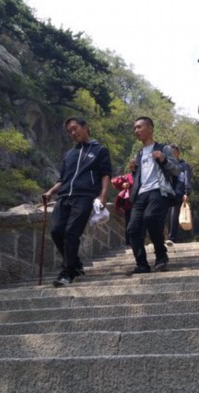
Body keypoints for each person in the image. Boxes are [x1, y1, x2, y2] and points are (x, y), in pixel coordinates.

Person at [42, 117, 112, 286]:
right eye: (70, 131)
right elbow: (62, 179)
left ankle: (67, 273)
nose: (73, 133)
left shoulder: (100, 150)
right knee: (57, 231)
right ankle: (76, 265)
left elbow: (105, 174)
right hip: (64, 196)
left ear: (85, 127)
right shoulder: (69, 154)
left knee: (72, 233)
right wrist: (50, 192)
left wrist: (103, 196)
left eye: (75, 128)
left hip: (85, 196)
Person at [127, 116, 180, 274]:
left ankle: (161, 254)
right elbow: (139, 177)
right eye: (135, 128)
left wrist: (163, 160)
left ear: (150, 128)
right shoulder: (139, 154)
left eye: (139, 127)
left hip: (159, 190)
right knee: (132, 229)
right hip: (141, 194)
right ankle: (142, 264)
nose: (136, 131)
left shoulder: (163, 148)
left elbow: (176, 170)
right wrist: (134, 170)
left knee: (150, 218)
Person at [165, 144, 192, 245]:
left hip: (178, 193)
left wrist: (186, 192)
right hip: (165, 192)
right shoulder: (166, 164)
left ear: (178, 153)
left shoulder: (184, 165)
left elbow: (187, 179)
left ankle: (172, 238)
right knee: (163, 215)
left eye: (173, 152)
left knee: (174, 215)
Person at [111, 159, 136, 246]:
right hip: (129, 204)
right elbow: (115, 181)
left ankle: (138, 242)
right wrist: (123, 185)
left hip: (140, 202)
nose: (133, 167)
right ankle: (129, 243)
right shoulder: (127, 176)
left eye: (135, 165)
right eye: (132, 165)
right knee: (129, 223)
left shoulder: (143, 176)